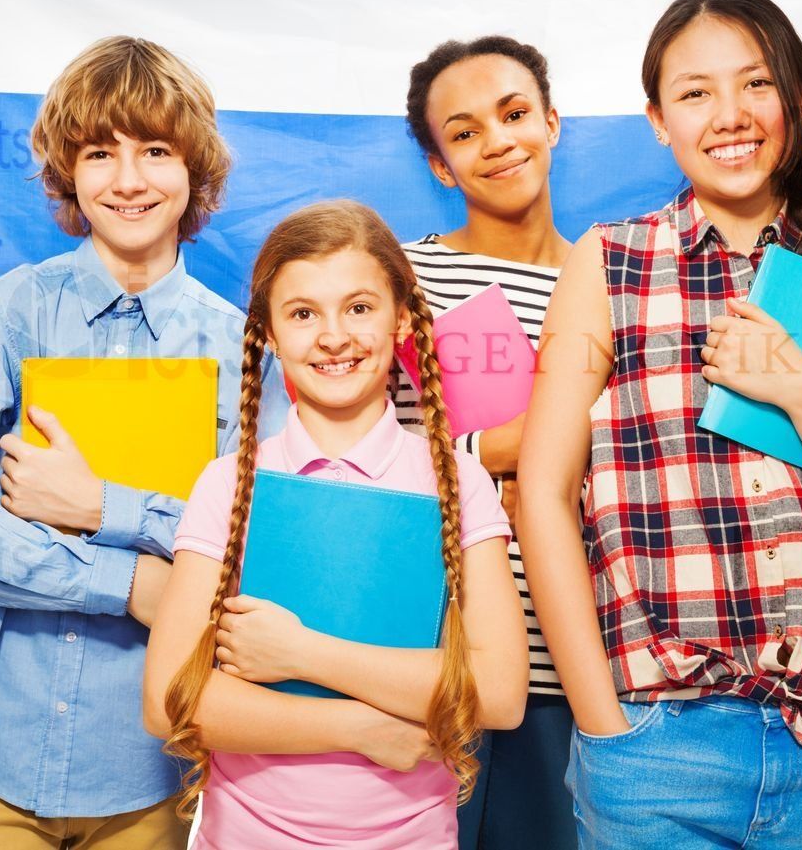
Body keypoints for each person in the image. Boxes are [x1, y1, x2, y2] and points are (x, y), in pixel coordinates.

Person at [516, 0, 802, 849]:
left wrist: (801, 387)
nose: (730, 114)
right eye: (695, 92)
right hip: (657, 752)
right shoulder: (608, 263)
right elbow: (542, 492)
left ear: (795, 97)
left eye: (756, 84)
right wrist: (604, 724)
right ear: (656, 120)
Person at [0, 36, 290, 849]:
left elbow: (261, 554)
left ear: (194, 170)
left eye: (155, 150)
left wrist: (100, 506)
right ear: (68, 171)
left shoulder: (242, 350)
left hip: (150, 765)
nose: (130, 178)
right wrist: (131, 581)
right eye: (100, 152)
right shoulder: (8, 314)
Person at [143, 199, 528, 849]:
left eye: (358, 307)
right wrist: (361, 725)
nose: (333, 335)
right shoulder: (228, 483)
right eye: (302, 313)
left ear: (401, 316)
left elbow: (500, 692)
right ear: (267, 331)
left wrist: (302, 653)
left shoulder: (457, 486)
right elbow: (168, 700)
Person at [398, 35, 577, 850]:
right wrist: (514, 452)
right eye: (464, 132)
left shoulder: (615, 279)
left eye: (513, 114)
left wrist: (501, 450)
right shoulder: (403, 281)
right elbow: (376, 466)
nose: (497, 141)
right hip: (434, 660)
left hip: (579, 669)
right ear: (441, 165)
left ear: (551, 122)